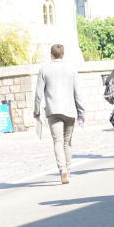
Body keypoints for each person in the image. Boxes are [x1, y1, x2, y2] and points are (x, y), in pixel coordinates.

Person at [33, 44, 85, 184]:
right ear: (63, 54)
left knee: (58, 140)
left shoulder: (44, 70)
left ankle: (62, 169)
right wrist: (81, 112)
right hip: (70, 111)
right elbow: (77, 93)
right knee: (67, 141)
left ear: (51, 55)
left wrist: (36, 112)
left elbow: (38, 94)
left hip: (53, 110)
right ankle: (68, 169)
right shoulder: (72, 69)